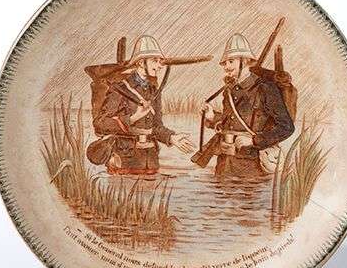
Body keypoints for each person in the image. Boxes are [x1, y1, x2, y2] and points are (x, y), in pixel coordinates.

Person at [89, 35, 196, 176]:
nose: (159, 66)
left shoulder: (153, 90)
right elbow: (100, 123)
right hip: (124, 161)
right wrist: (132, 118)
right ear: (140, 62)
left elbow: (156, 127)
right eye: (154, 61)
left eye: (160, 61)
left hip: (150, 161)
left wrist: (171, 138)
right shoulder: (119, 88)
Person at [198, 32, 295, 178]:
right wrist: (212, 117)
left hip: (251, 170)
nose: (226, 67)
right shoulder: (229, 90)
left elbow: (286, 127)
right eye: (224, 63)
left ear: (245, 61)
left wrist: (254, 140)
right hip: (224, 166)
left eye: (231, 61)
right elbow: (231, 123)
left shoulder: (265, 88)